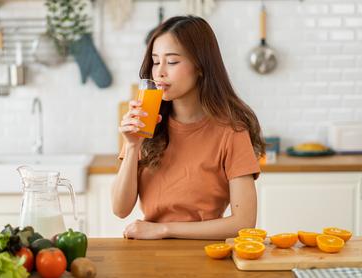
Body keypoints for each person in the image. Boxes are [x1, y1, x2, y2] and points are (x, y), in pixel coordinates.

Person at [112, 15, 266, 240]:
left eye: (172, 62)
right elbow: (120, 209)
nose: (160, 72)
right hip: (149, 253)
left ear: (201, 67)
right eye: (156, 61)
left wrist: (164, 229)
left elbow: (244, 223)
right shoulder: (146, 123)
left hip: (205, 252)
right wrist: (132, 146)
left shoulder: (231, 131)